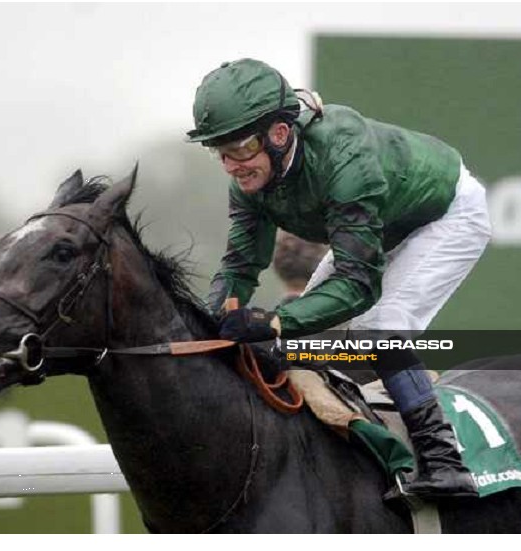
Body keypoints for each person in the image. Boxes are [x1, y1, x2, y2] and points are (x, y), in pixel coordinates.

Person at [186, 58, 491, 500]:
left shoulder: (343, 155)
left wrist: (271, 321)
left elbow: (357, 284)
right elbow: (239, 268)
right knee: (303, 339)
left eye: (240, 148)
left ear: (279, 133)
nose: (231, 165)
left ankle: (444, 461)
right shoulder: (250, 181)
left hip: (445, 214)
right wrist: (213, 321)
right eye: (221, 151)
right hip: (385, 220)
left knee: (379, 326)